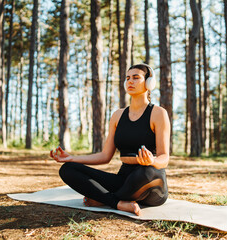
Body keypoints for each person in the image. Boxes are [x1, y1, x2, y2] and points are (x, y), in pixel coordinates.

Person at [50, 63, 171, 216]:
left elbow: (164, 158)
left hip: (151, 182)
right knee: (68, 169)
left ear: (149, 83)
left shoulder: (158, 113)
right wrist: (72, 158)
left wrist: (151, 161)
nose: (130, 82)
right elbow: (105, 156)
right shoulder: (117, 115)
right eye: (127, 78)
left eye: (136, 77)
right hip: (124, 179)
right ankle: (117, 202)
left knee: (146, 171)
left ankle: (103, 199)